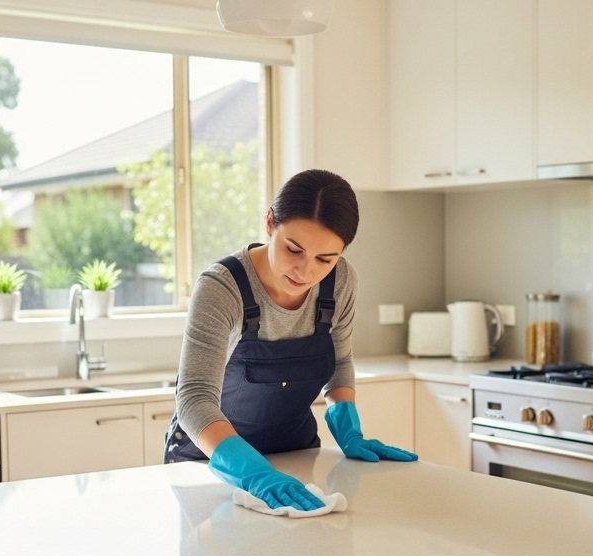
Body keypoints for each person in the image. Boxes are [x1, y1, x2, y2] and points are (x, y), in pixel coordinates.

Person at [165, 169, 417, 511]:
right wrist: (253, 472)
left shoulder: (341, 282)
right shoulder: (222, 288)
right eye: (293, 249)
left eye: (325, 259)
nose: (305, 271)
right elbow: (194, 398)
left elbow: (339, 361)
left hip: (296, 459)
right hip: (211, 466)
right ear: (270, 223)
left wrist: (348, 427)